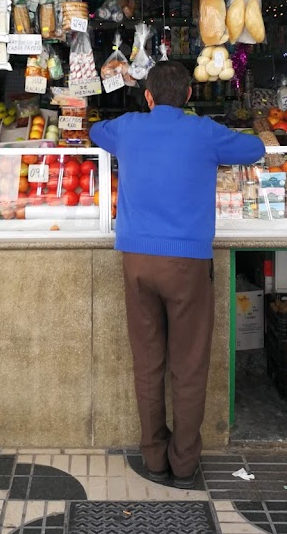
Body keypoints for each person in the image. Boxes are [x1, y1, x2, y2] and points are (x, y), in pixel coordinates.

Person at [89, 61, 266, 488]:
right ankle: (184, 463)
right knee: (188, 365)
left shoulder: (127, 127)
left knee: (147, 362)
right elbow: (255, 148)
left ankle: (154, 457)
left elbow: (95, 131)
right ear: (189, 95)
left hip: (136, 263)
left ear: (148, 97)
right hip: (187, 265)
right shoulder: (204, 132)